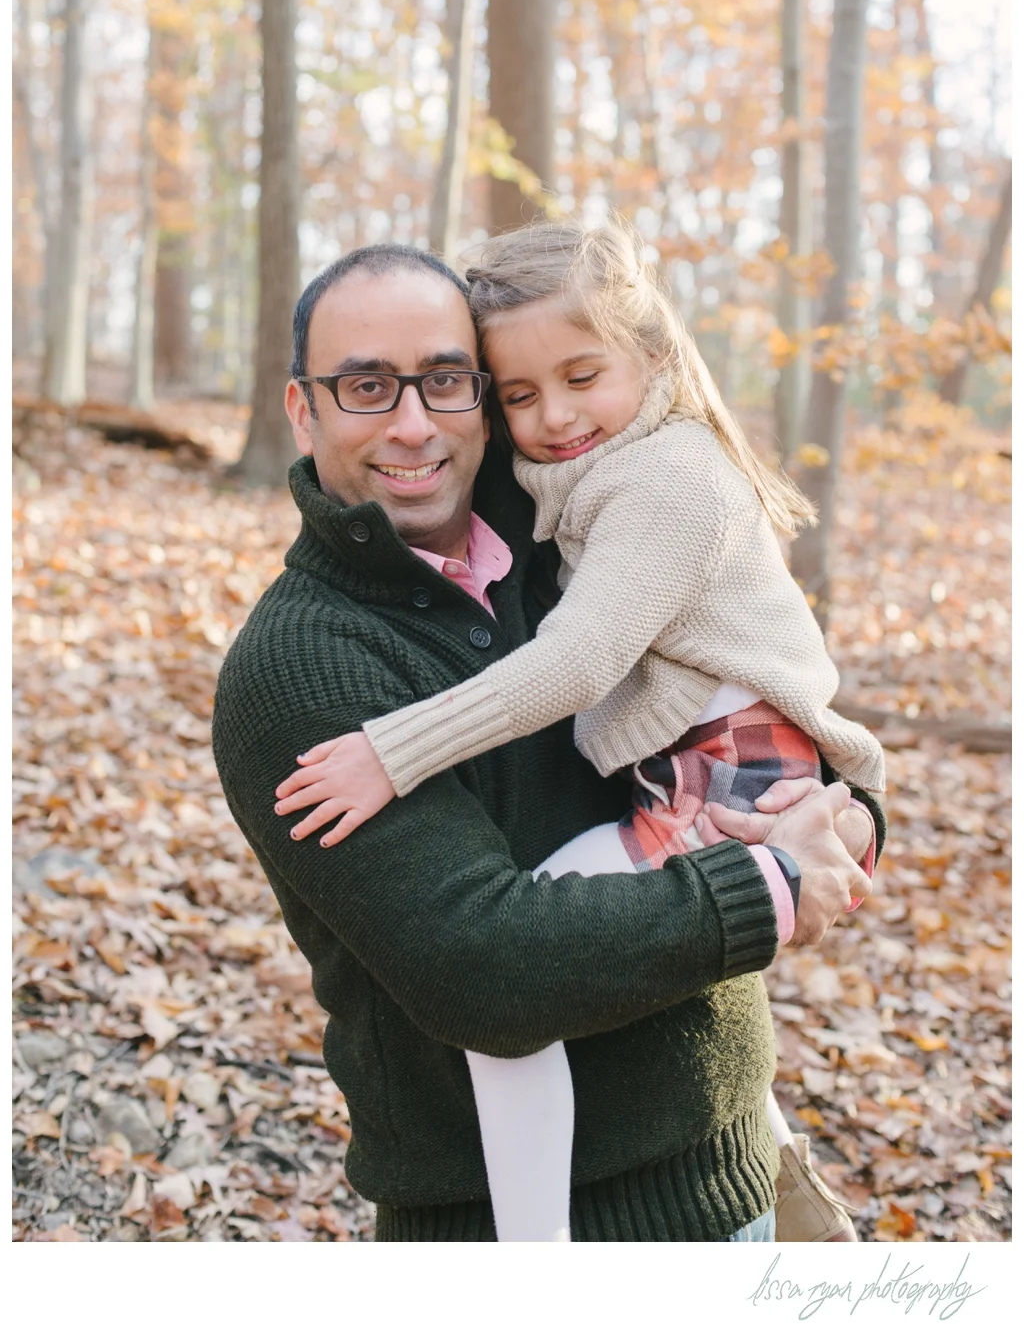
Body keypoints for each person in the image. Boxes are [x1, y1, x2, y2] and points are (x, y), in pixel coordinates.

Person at [212, 240, 881, 1243]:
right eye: (364, 387)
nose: (412, 423)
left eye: (444, 381)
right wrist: (772, 887)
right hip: (502, 1232)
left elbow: (750, 686)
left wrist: (844, 820)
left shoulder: (563, 518)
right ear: (301, 410)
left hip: (730, 1175)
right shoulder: (298, 669)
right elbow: (486, 970)